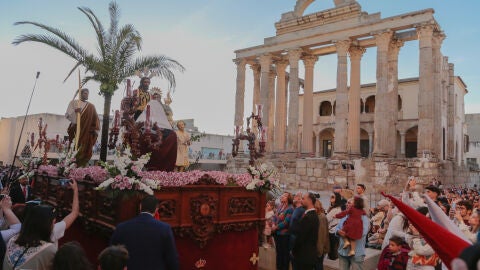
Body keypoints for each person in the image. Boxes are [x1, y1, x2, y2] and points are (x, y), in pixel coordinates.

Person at [110, 195, 179, 270]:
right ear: (156, 210)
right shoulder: (165, 229)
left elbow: (111, 254)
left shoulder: (121, 227)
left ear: (140, 207)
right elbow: (172, 259)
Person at [3, 205, 57, 270]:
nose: (54, 226)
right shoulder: (49, 249)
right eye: (53, 223)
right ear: (47, 225)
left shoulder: (13, 239)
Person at [65, 88, 100, 167]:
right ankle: (71, 165)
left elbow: (96, 119)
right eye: (85, 93)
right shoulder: (74, 103)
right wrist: (75, 112)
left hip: (86, 133)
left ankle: (82, 166)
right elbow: (67, 115)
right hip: (76, 131)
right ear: (80, 94)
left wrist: (94, 130)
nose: (86, 95)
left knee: (85, 150)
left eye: (87, 93)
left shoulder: (91, 107)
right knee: (74, 148)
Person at [335, 198, 370, 270]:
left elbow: (364, 232)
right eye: (347, 202)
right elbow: (337, 227)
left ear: (356, 205)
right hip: (343, 252)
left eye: (349, 203)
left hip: (356, 253)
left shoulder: (363, 217)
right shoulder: (345, 215)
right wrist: (338, 232)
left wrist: (347, 233)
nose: (346, 204)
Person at [291, 193, 319, 270]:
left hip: (304, 255)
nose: (301, 201)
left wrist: (294, 251)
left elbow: (301, 237)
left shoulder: (309, 217)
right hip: (305, 255)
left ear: (310, 200)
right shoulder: (311, 214)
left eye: (303, 199)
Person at [272, 192, 294, 270]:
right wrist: (273, 224)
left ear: (289, 198)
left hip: (284, 235)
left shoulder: (290, 208)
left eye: (285, 196)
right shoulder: (280, 206)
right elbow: (274, 216)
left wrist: (276, 227)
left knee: (284, 255)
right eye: (282, 195)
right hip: (277, 234)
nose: (282, 196)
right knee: (279, 254)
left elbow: (286, 222)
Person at [314, 200, 330, 270]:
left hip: (318, 248)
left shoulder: (321, 217)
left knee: (318, 265)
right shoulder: (318, 216)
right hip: (318, 247)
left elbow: (321, 235)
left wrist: (319, 250)